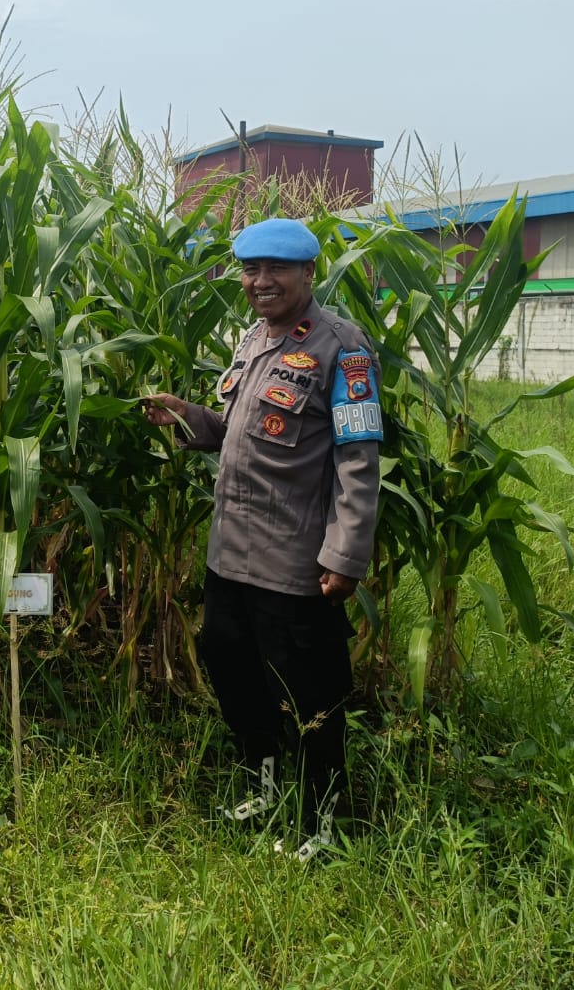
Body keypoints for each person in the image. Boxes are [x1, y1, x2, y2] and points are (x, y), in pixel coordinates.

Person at [144, 217, 381, 861]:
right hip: (231, 553)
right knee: (230, 666)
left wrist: (345, 554)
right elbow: (238, 429)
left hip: (294, 559)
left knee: (312, 691)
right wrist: (190, 417)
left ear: (308, 273)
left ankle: (321, 825)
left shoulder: (343, 349)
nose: (261, 282)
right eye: (251, 270)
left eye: (276, 269)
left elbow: (358, 460)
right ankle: (262, 779)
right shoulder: (253, 339)